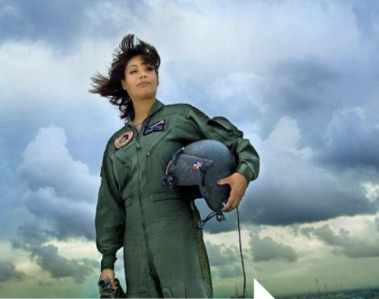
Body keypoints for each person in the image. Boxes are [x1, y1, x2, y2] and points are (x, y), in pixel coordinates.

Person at [91, 34, 260, 298]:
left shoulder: (179, 117)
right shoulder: (115, 145)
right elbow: (110, 205)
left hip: (177, 234)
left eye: (149, 69)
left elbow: (235, 142)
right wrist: (107, 264)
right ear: (124, 83)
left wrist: (243, 174)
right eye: (134, 71)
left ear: (157, 78)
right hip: (134, 249)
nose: (143, 75)